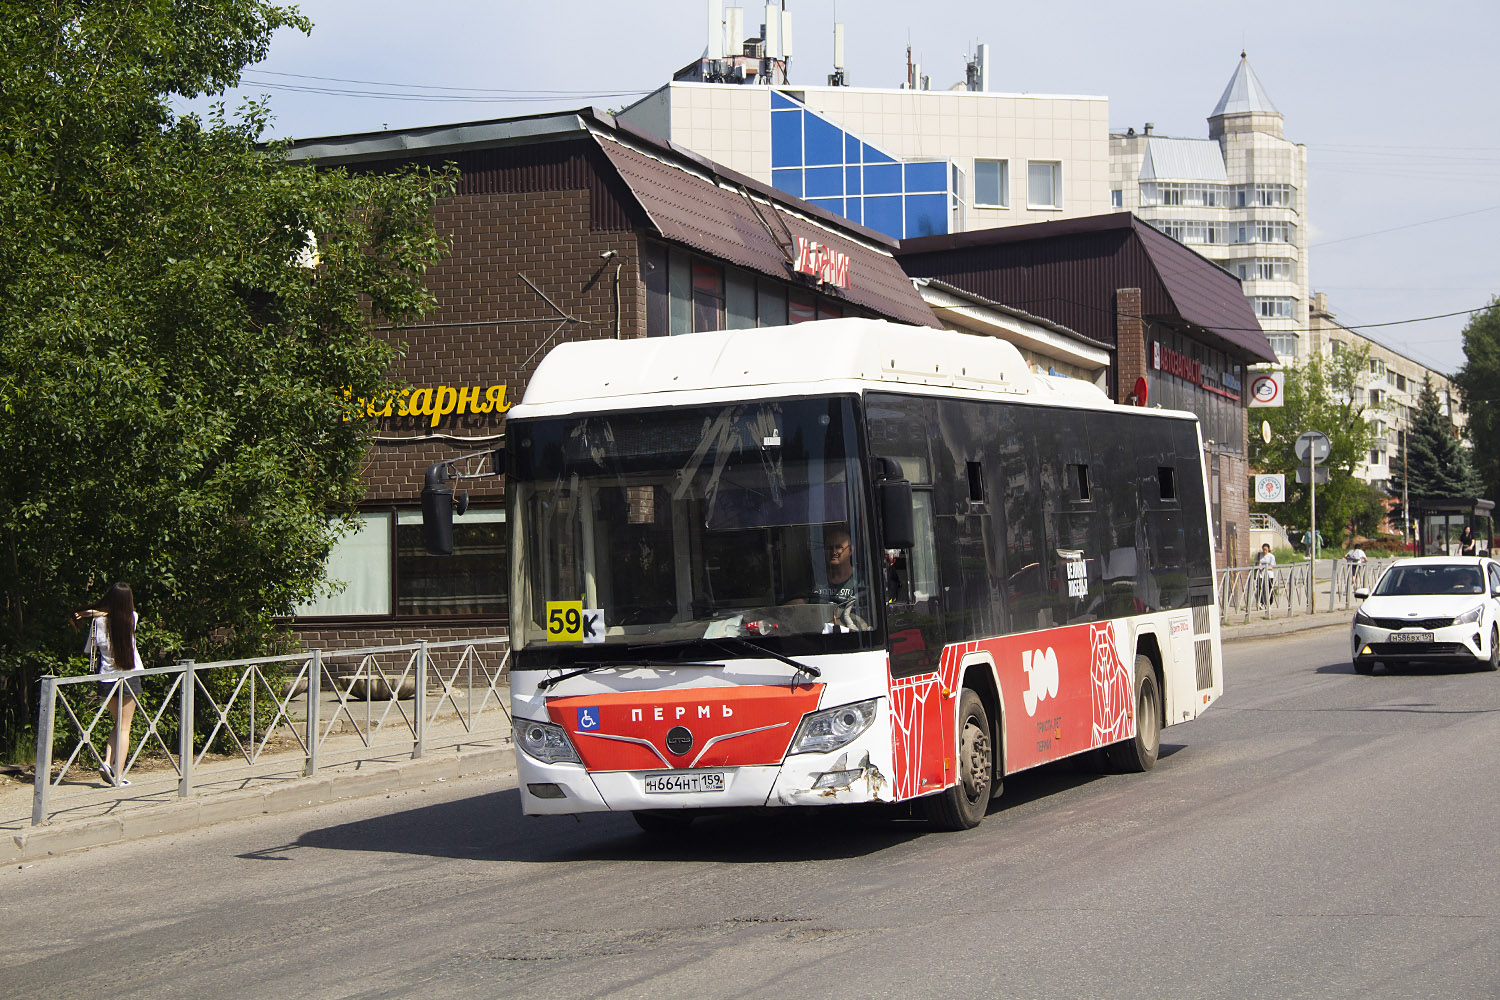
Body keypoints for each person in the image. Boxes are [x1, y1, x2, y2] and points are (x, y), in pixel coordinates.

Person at [71, 582, 144, 787]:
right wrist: (94, 613)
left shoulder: (98, 622)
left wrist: (90, 614)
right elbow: (118, 615)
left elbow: (90, 648)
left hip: (106, 678)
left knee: (117, 724)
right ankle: (118, 775)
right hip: (129, 676)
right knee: (125, 727)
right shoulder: (133, 617)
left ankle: (107, 762)